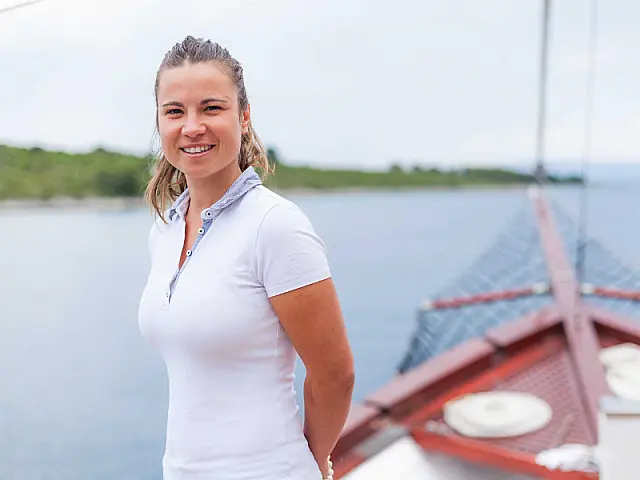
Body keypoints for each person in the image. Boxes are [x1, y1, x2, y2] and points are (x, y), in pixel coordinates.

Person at [137, 35, 355, 480]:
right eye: (175, 111)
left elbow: (335, 375)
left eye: (211, 108)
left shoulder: (275, 226)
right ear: (159, 122)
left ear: (244, 116)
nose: (192, 126)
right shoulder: (165, 230)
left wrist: (312, 461)